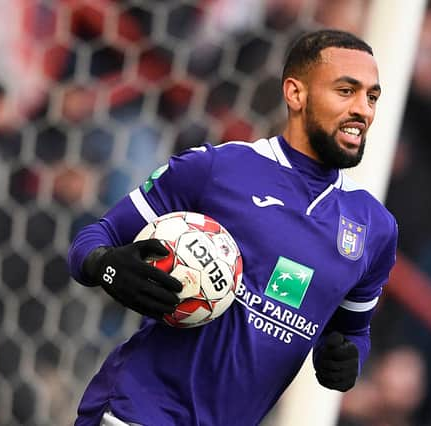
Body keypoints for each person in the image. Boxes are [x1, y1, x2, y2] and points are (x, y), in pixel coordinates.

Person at [68, 29, 398, 426]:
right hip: (138, 410)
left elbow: (353, 332)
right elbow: (92, 240)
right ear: (296, 94)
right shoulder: (217, 169)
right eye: (346, 91)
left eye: (372, 96)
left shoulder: (374, 230)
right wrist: (108, 265)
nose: (363, 109)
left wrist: (347, 358)